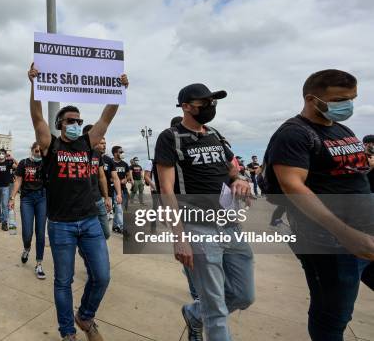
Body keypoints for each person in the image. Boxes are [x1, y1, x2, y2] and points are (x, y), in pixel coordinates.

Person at [266, 69, 374, 341]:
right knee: (332, 317)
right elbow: (293, 187)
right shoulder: (293, 134)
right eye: (339, 99)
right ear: (312, 99)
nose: (347, 105)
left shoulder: (342, 129)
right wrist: (347, 234)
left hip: (367, 235)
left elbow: (356, 178)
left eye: (352, 98)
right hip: (332, 243)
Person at [29, 63, 128, 341]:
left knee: (102, 276)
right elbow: (37, 117)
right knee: (63, 282)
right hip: (61, 225)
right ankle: (67, 332)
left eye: (77, 120)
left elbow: (106, 118)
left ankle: (85, 317)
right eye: (69, 120)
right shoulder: (51, 145)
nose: (74, 124)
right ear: (59, 123)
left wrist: (118, 90)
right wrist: (34, 85)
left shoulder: (87, 143)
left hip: (89, 221)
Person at [155, 83, 254, 341]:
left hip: (230, 224)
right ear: (186, 107)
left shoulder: (215, 135)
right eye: (204, 103)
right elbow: (166, 189)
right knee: (216, 309)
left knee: (244, 295)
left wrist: (240, 179)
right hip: (198, 227)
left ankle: (194, 312)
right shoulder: (170, 137)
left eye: (213, 102)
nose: (210, 107)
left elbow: (232, 170)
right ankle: (205, 313)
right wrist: (180, 237)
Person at [9, 142, 47, 279]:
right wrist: (12, 197)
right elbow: (18, 180)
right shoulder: (24, 163)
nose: (38, 153)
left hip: (42, 199)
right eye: (36, 151)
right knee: (27, 232)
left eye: (41, 151)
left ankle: (39, 263)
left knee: (41, 232)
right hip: (27, 199)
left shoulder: (46, 164)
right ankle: (26, 248)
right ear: (31, 150)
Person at [84, 125, 113, 240]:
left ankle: (90, 249)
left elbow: (101, 177)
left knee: (106, 233)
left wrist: (106, 197)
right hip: (83, 202)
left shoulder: (97, 154)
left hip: (98, 199)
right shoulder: (77, 152)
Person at [0, 148, 16, 231]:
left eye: (3, 153)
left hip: (5, 186)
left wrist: (13, 159)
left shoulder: (9, 162)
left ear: (5, 154)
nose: (1, 154)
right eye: (0, 153)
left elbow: (19, 166)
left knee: (4, 205)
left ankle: (4, 222)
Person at [110, 145, 131, 233]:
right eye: (120, 152)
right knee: (118, 209)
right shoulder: (110, 163)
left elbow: (129, 175)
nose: (122, 153)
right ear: (115, 153)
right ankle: (123, 228)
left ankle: (115, 226)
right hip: (114, 189)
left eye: (122, 152)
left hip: (124, 189)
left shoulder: (125, 164)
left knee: (123, 208)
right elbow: (107, 176)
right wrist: (115, 180)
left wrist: (126, 179)